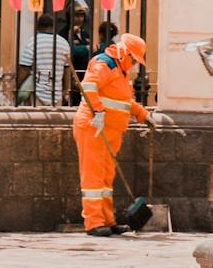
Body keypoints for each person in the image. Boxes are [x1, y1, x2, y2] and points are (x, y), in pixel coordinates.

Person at [72, 29, 150, 237]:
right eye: (134, 60)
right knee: (94, 176)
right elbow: (88, 86)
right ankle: (94, 222)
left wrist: (142, 115)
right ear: (126, 53)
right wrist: (97, 111)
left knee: (106, 177)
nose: (134, 65)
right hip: (94, 127)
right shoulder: (105, 63)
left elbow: (123, 101)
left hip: (110, 131)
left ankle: (108, 220)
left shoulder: (120, 71)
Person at [30, 13, 71, 107]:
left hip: (37, 92)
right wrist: (66, 90)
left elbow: (24, 67)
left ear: (38, 26)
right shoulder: (63, 43)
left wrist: (20, 87)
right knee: (56, 119)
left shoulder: (33, 42)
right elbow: (67, 69)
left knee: (36, 119)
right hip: (56, 92)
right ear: (54, 27)